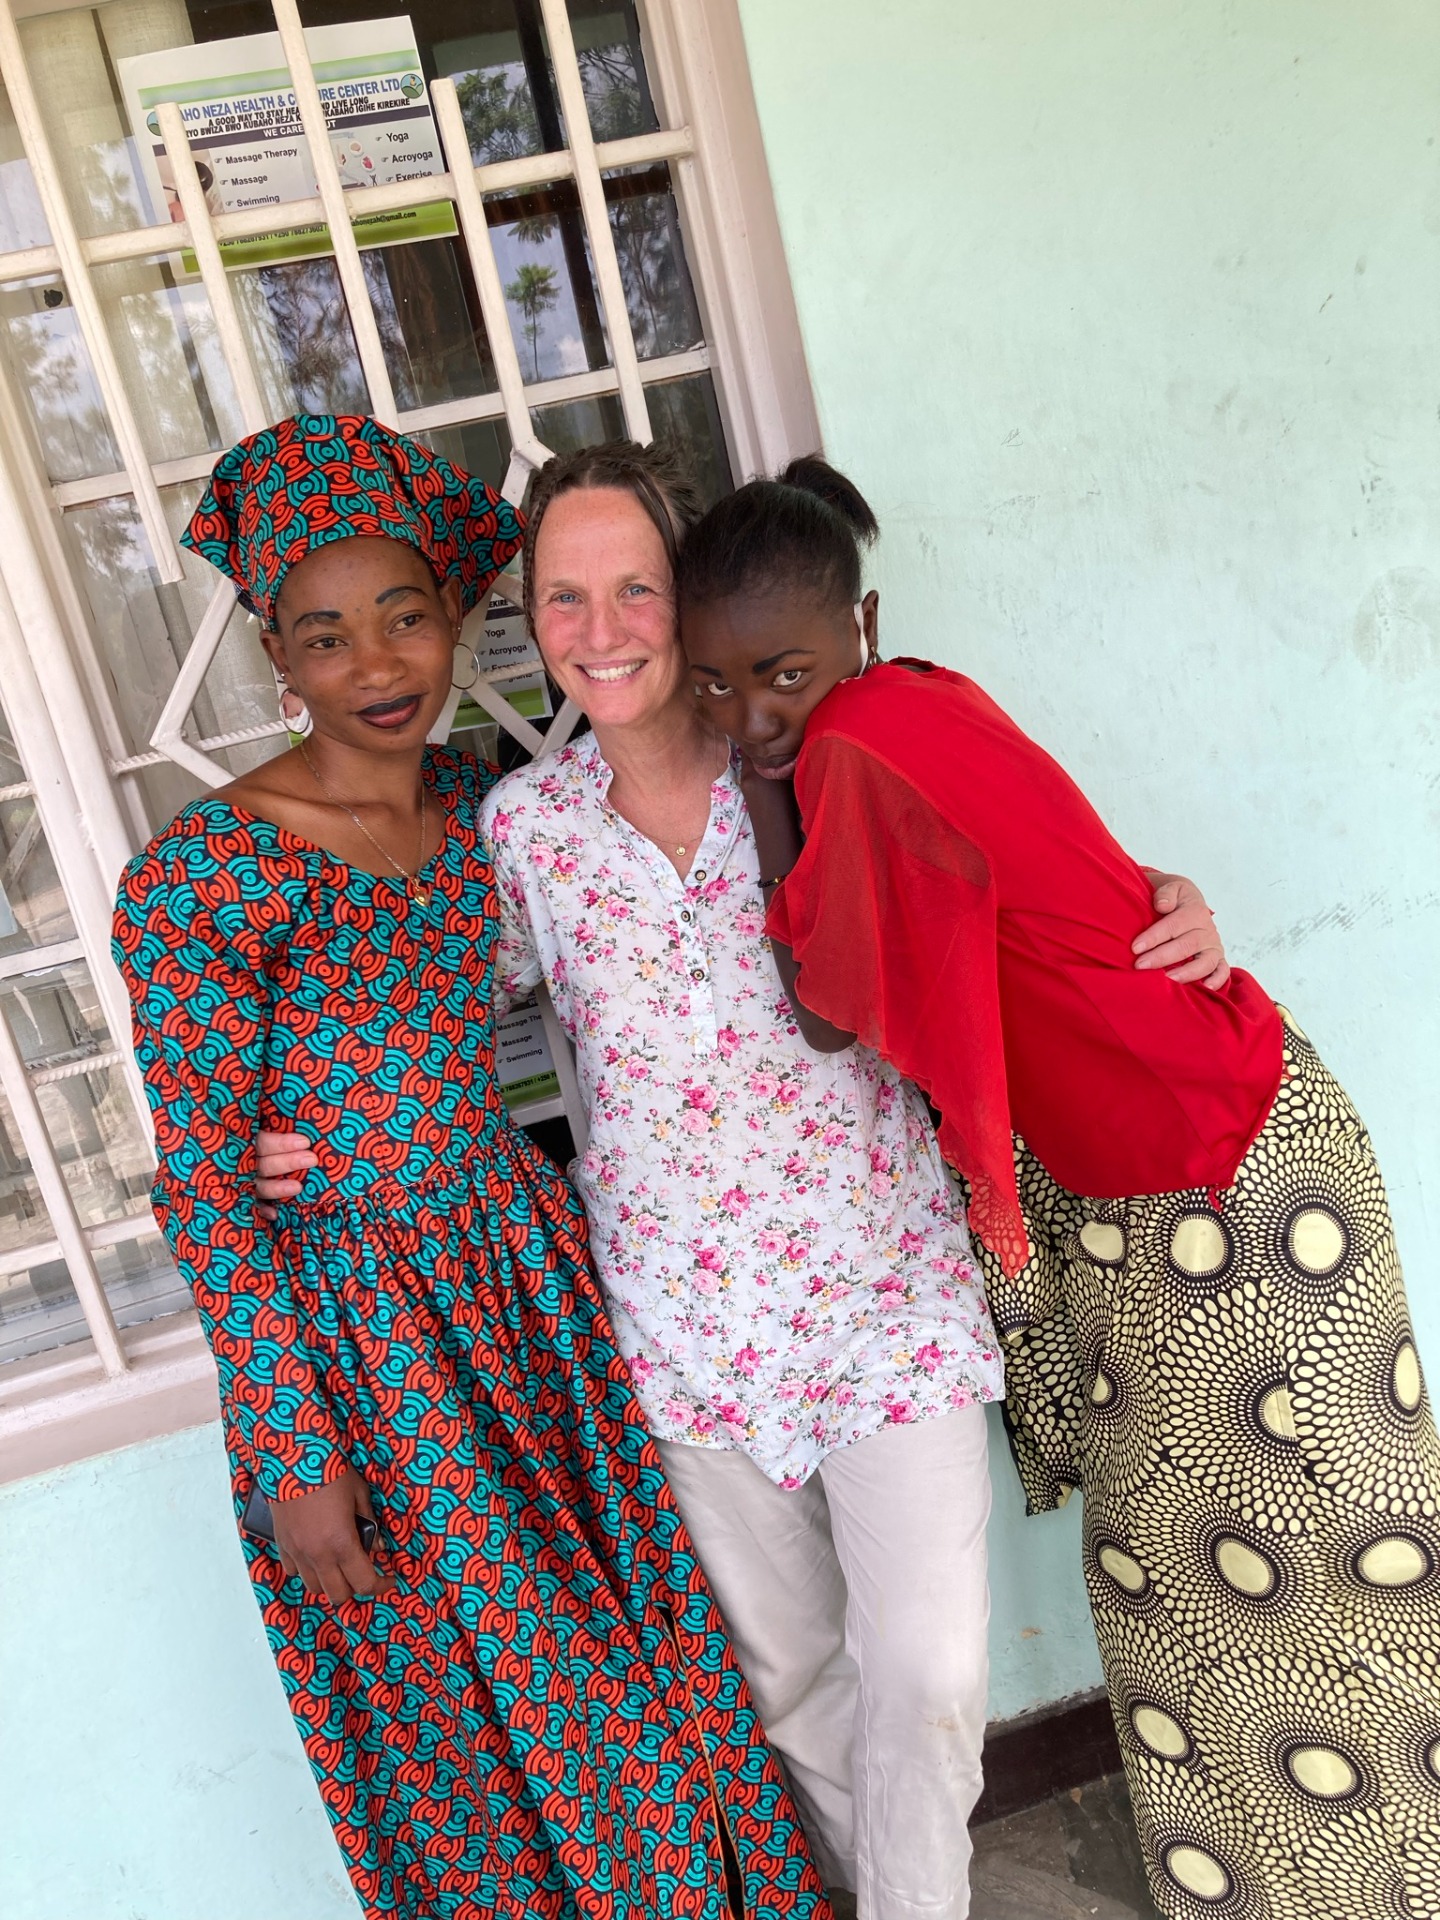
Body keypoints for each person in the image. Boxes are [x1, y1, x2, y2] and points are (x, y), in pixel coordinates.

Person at [257, 439, 1235, 1920]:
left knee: (931, 1678)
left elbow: (1019, 884)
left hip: (887, 1298)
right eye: (563, 598)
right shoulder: (522, 833)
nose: (599, 632)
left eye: (635, 589)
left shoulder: (821, 764)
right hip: (682, 1334)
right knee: (791, 1690)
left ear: (691, 593)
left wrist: (1160, 911)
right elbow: (425, 1023)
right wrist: (303, 1126)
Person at [674, 454, 1440, 1920]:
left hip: (1213, 1186)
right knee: (1243, 1580)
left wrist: (763, 789)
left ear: (860, 629)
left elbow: (822, 1010)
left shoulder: (853, 749)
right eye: (713, 684)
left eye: (780, 673)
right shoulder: (924, 694)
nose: (751, 713)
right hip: (1207, 1156)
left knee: (1293, 1585)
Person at [111, 414, 830, 1920]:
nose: (375, 664)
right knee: (509, 1740)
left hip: (531, 1300)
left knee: (659, 1687)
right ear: (275, 656)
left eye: (404, 618)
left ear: (454, 620)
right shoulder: (203, 873)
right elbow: (207, 1188)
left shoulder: (472, 813)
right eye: (324, 636)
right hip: (371, 1360)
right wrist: (299, 1455)